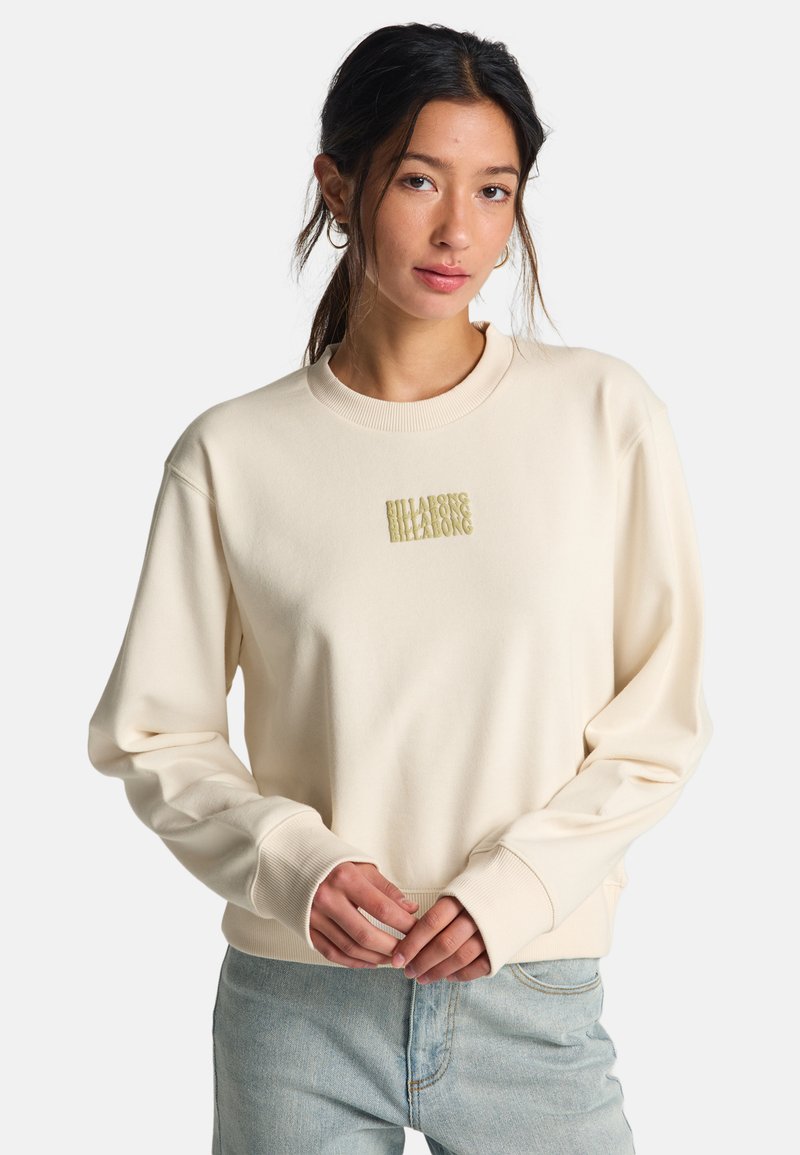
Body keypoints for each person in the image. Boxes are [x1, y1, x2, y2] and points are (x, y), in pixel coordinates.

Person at [87, 21, 713, 1155]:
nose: (457, 229)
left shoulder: (603, 417)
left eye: (493, 190)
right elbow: (153, 733)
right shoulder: (233, 455)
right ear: (338, 185)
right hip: (298, 1011)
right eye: (420, 179)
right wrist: (295, 865)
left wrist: (512, 891)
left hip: (532, 995)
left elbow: (658, 721)